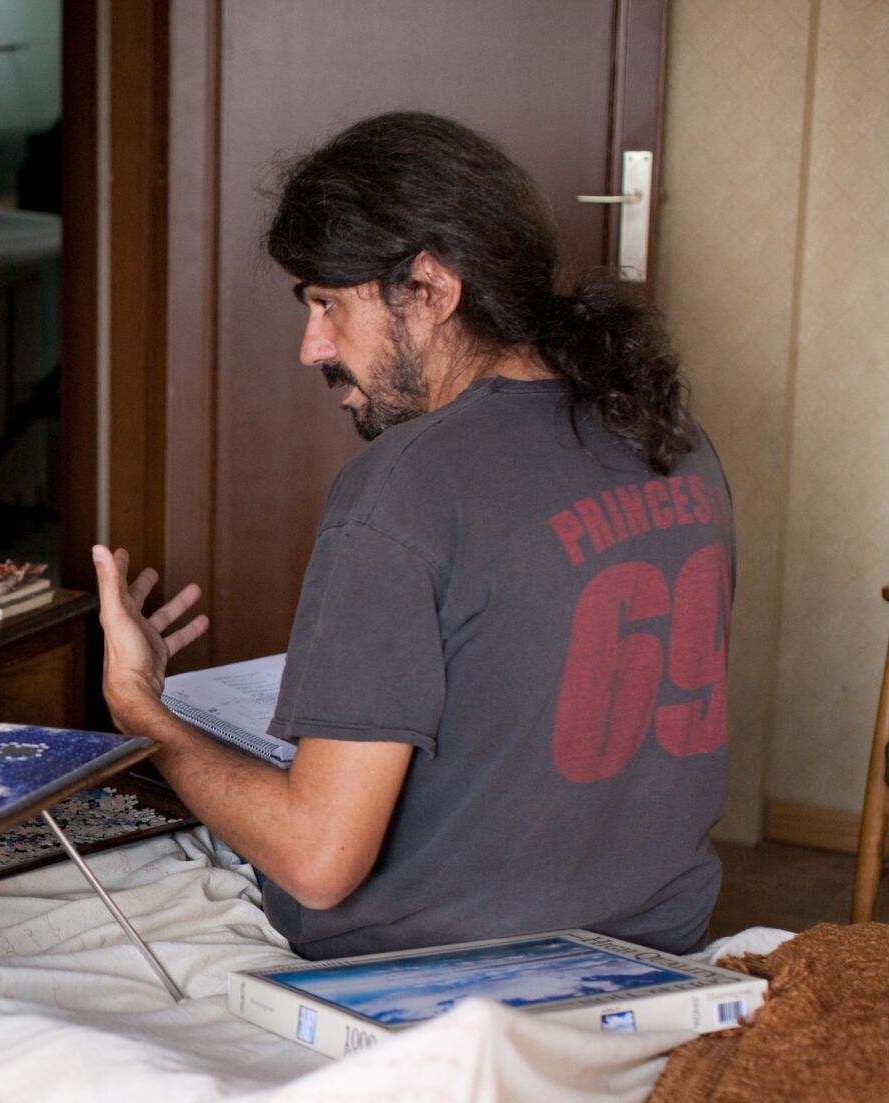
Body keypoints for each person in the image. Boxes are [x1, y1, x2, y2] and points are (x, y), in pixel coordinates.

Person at [94, 112, 733, 961]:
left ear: (429, 289)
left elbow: (319, 862)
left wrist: (141, 710)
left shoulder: (406, 487)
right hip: (657, 947)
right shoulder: (673, 438)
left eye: (327, 302)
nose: (311, 345)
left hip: (444, 974)